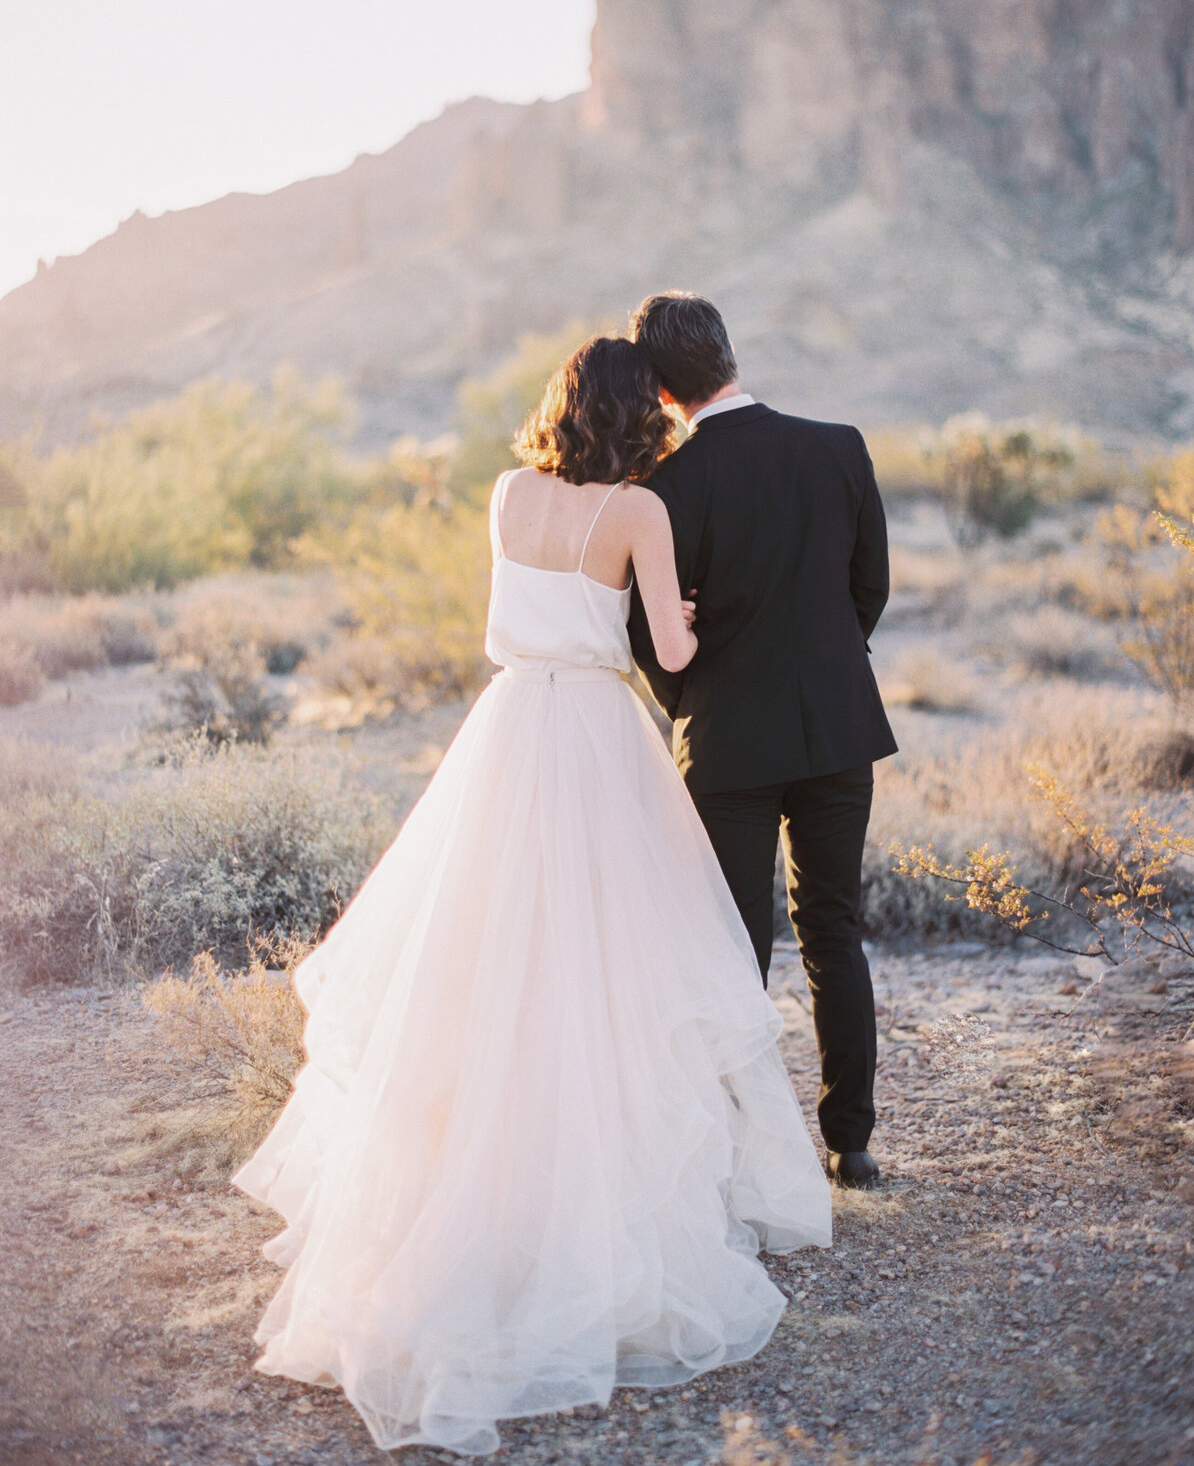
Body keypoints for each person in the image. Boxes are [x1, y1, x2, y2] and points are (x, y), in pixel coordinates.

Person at [233, 335, 831, 1457]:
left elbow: (503, 619)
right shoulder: (640, 513)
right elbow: (667, 644)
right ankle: (589, 1196)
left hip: (507, 732)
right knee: (608, 964)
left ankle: (473, 1195)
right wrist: (697, 614)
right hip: (599, 740)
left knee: (478, 959)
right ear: (643, 414)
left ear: (561, 404)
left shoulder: (510, 493)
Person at [627, 293, 898, 1191]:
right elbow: (871, 589)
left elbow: (643, 635)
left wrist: (692, 698)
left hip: (727, 747)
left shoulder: (666, 488)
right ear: (729, 356)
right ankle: (850, 1143)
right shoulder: (839, 447)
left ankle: (741, 1154)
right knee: (834, 931)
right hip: (835, 732)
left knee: (733, 947)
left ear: (663, 391)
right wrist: (822, 665)